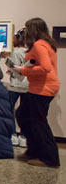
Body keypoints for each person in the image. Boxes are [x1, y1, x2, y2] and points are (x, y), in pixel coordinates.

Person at [15, 18, 61, 168]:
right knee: (23, 114)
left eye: (27, 28)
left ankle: (50, 158)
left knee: (38, 122)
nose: (25, 31)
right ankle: (34, 150)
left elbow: (45, 67)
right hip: (41, 87)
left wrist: (22, 70)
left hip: (42, 88)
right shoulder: (46, 44)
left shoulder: (38, 45)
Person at [4, 28, 29, 147]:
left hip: (16, 85)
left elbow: (15, 68)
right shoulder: (30, 51)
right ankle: (23, 136)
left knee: (9, 109)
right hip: (29, 85)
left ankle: (13, 134)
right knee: (25, 112)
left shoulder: (16, 52)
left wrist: (7, 61)